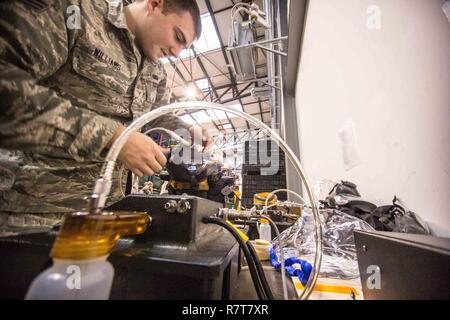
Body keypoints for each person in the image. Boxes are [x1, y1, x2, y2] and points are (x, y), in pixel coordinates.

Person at [0, 0, 205, 236]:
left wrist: (189, 130)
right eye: (178, 37)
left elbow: (157, 114)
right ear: (154, 4)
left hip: (102, 220)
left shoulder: (154, 70)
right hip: (30, 218)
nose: (177, 53)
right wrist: (114, 138)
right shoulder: (77, 14)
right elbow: (8, 89)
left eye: (185, 48)